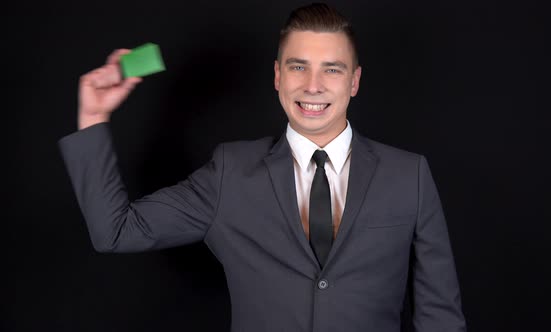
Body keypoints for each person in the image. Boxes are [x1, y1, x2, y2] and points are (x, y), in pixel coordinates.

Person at [59, 3, 466, 331]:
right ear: (277, 75)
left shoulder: (408, 175)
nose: (313, 85)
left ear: (354, 81)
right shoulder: (229, 173)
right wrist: (93, 117)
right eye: (298, 66)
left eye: (332, 69)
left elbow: (440, 316)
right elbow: (115, 232)